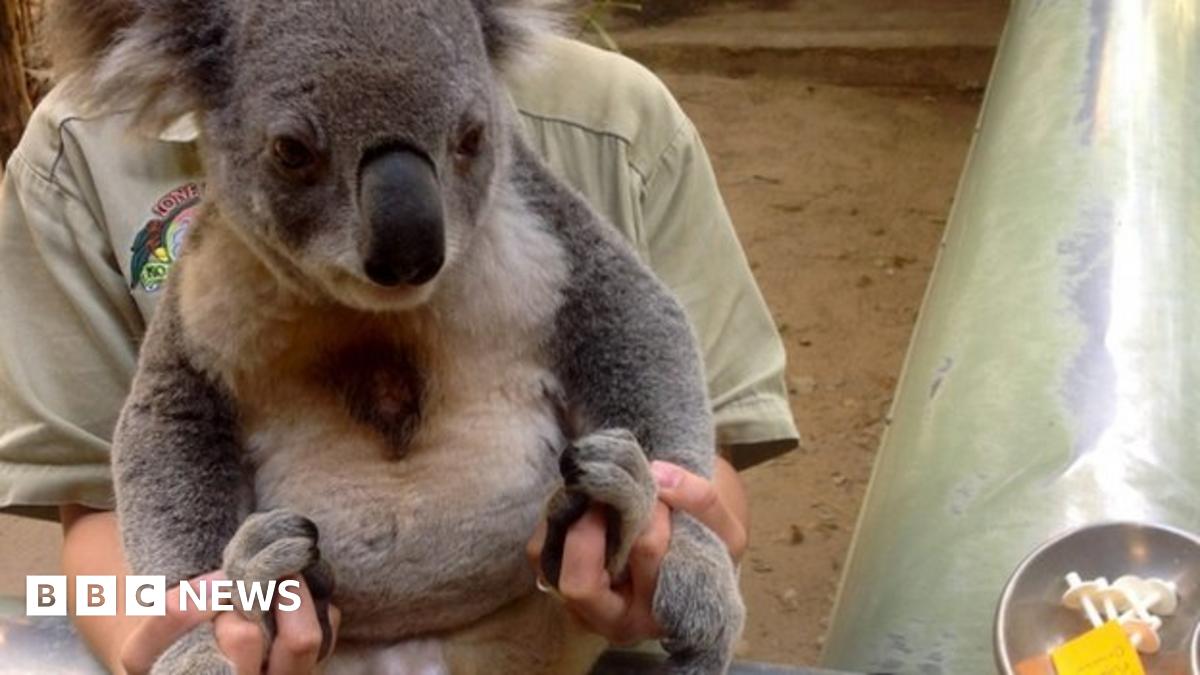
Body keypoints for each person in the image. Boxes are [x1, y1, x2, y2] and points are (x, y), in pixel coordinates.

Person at [0, 35, 798, 674]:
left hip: (537, 639)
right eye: (292, 155)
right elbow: (126, 484)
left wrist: (675, 536)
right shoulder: (85, 148)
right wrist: (181, 631)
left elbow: (658, 378)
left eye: (468, 140)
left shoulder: (613, 115)